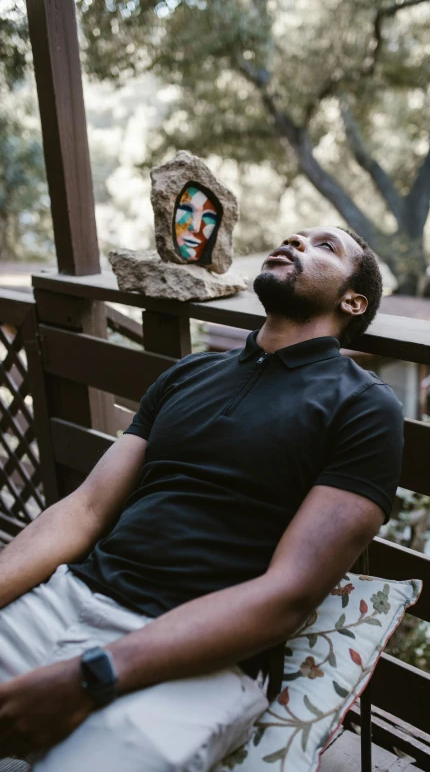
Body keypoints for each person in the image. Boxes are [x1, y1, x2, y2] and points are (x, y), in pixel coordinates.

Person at [0, 226, 403, 771]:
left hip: (202, 661)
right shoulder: (188, 373)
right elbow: (84, 510)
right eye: (295, 236)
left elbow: (288, 594)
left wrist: (93, 673)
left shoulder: (363, 406)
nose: (296, 241)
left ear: (353, 301)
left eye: (325, 246)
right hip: (71, 597)